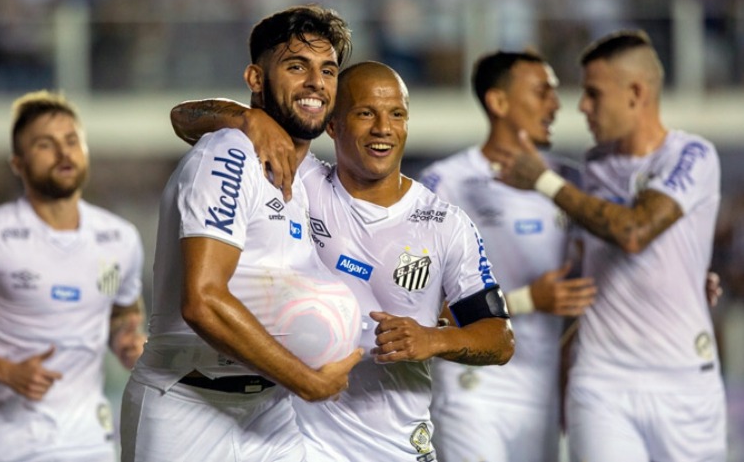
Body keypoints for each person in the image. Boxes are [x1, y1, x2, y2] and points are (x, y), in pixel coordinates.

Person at [170, 60, 515, 461]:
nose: (383, 128)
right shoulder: (301, 181)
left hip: (394, 445)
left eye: (396, 114)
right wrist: (247, 120)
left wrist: (433, 339)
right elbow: (183, 118)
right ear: (332, 125)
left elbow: (500, 339)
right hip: (291, 440)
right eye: (365, 113)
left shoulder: (446, 224)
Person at [119, 5, 364, 462]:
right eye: (297, 66)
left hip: (271, 412)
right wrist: (308, 382)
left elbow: (184, 116)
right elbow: (202, 301)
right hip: (189, 408)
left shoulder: (306, 173)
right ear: (255, 78)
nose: (316, 82)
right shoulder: (230, 152)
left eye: (327, 70)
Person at [495, 29, 727, 462]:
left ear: (636, 93)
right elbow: (588, 286)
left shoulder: (692, 155)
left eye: (593, 94)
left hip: (685, 386)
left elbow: (635, 232)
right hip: (602, 384)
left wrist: (545, 182)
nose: (582, 106)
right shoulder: (593, 170)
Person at [0, 90, 147, 462]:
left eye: (72, 141)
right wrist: (4, 370)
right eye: (45, 144)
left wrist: (125, 340)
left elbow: (123, 311)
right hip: (8, 442)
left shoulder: (120, 237)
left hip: (89, 439)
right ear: (18, 164)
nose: (63, 152)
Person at [419, 50, 597, 462]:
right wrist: (527, 300)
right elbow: (420, 300)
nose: (556, 104)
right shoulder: (446, 183)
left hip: (542, 393)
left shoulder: (568, 184)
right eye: (542, 92)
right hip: (472, 387)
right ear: (498, 103)